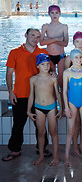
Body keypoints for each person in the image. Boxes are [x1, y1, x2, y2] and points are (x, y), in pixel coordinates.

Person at [2, 28, 52, 162]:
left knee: (40, 124)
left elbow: (50, 69)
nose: (35, 39)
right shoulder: (15, 52)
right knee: (18, 123)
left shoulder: (42, 52)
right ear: (25, 35)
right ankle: (15, 149)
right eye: (32, 36)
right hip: (21, 94)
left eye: (38, 37)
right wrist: (11, 92)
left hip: (39, 94)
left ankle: (42, 147)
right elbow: (9, 73)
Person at [27, 53, 63, 166]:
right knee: (41, 133)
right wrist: (28, 110)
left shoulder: (53, 78)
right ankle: (41, 155)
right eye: (43, 64)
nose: (46, 66)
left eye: (48, 64)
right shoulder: (33, 79)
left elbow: (57, 94)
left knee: (53, 132)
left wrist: (61, 108)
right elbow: (31, 96)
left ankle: (56, 156)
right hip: (38, 108)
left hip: (51, 107)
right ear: (38, 65)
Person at [63, 49, 82, 166]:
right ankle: (66, 157)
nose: (79, 60)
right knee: (70, 130)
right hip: (71, 103)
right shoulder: (67, 72)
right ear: (71, 59)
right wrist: (66, 107)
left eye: (81, 57)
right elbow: (64, 91)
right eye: (76, 57)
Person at [40, 5, 69, 85]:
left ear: (60, 13)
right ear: (49, 14)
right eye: (52, 13)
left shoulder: (64, 27)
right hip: (49, 56)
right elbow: (41, 43)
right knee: (51, 79)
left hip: (61, 56)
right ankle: (53, 97)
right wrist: (57, 39)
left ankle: (62, 97)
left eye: (56, 13)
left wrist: (48, 39)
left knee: (61, 80)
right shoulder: (45, 26)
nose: (54, 15)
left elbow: (65, 43)